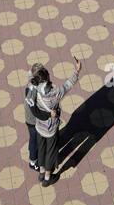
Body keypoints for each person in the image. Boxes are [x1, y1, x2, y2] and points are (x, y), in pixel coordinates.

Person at [29, 56, 82, 186]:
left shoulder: (35, 89)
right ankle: (47, 178)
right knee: (51, 152)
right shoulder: (55, 93)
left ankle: (41, 172)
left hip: (39, 126)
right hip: (50, 129)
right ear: (47, 78)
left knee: (41, 149)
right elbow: (68, 85)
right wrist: (77, 71)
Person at [23, 62, 45, 172]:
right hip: (33, 120)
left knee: (33, 139)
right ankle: (33, 161)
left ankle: (33, 151)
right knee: (35, 140)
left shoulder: (31, 83)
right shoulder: (34, 89)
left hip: (30, 118)